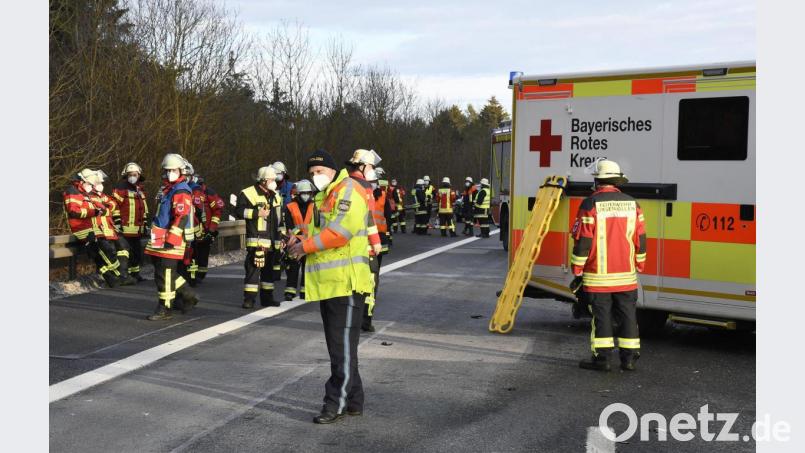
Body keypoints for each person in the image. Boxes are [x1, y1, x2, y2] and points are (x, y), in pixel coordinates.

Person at [286, 149, 374, 424]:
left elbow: (340, 232)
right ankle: (354, 401)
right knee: (343, 348)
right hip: (331, 284)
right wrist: (297, 239)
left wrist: (304, 247)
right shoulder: (326, 195)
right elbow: (317, 230)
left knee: (341, 350)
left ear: (333, 171)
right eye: (312, 173)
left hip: (346, 284)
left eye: (320, 172)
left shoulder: (348, 190)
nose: (315, 177)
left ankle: (334, 403)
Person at [570, 159, 647, 372]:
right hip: (626, 275)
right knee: (628, 315)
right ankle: (628, 359)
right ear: (617, 181)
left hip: (598, 275)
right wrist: (639, 264)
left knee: (601, 316)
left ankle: (602, 359)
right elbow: (640, 238)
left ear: (597, 181)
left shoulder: (590, 204)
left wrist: (577, 268)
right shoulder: (633, 203)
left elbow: (583, 240)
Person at [143, 153, 199, 320]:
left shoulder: (181, 190)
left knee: (165, 275)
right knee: (162, 273)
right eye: (167, 170)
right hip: (159, 237)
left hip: (170, 239)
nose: (169, 173)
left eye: (173, 170)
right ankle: (188, 295)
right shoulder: (168, 189)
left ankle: (164, 308)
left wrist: (172, 239)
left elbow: (180, 217)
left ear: (181, 171)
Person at [63, 169, 128, 287]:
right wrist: (94, 212)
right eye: (89, 184)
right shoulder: (72, 191)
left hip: (92, 228)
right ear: (82, 181)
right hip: (82, 229)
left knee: (102, 253)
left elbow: (102, 206)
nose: (91, 186)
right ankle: (119, 276)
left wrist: (101, 209)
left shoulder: (84, 192)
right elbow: (74, 211)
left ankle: (111, 277)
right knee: (105, 251)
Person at [236, 165, 287, 309]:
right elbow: (239, 211)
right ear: (263, 180)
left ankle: (267, 299)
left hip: (273, 242)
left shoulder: (276, 196)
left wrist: (282, 236)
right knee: (253, 271)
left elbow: (280, 219)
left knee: (269, 273)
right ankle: (249, 300)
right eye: (271, 179)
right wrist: (256, 213)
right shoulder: (248, 193)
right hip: (257, 241)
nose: (274, 182)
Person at [344, 149, 383, 333]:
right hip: (364, 247)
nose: (372, 169)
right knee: (369, 284)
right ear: (363, 166)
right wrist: (376, 242)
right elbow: (369, 218)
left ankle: (350, 319)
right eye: (371, 166)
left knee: (350, 286)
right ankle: (365, 321)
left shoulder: (344, 183)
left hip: (345, 245)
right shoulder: (365, 187)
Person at [90, 170, 137, 286]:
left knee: (123, 247)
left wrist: (116, 221)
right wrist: (106, 209)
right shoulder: (90, 197)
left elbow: (114, 207)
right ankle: (116, 278)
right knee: (109, 255)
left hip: (110, 230)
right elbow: (101, 209)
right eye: (97, 183)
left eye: (101, 183)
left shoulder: (104, 196)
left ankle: (123, 275)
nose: (100, 185)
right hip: (100, 231)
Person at [112, 163, 149, 282]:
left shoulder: (140, 189)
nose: (132, 176)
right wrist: (117, 222)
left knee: (136, 253)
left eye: (135, 174)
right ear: (126, 175)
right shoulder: (121, 188)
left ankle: (135, 274)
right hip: (124, 228)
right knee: (125, 253)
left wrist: (145, 224)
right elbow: (114, 205)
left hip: (137, 229)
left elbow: (143, 208)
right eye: (130, 174)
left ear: (139, 175)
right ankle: (124, 275)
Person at [283, 179, 315, 301]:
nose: (306, 195)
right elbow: (288, 225)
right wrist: (294, 237)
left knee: (308, 267)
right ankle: (290, 291)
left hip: (309, 242)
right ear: (298, 193)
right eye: (303, 193)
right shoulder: (290, 207)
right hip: (294, 241)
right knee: (293, 267)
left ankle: (304, 291)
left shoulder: (315, 206)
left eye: (308, 193)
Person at [190, 172, 223, 284]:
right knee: (191, 254)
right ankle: (191, 276)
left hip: (206, 231)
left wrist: (212, 229)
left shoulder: (209, 193)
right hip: (192, 230)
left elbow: (217, 211)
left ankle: (200, 275)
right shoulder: (187, 191)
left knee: (203, 255)